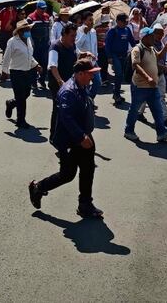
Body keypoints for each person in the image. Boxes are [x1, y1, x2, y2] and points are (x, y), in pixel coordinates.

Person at [28, 59, 104, 219]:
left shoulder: (82, 85)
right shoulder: (68, 91)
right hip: (71, 139)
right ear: (80, 74)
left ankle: (85, 204)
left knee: (88, 169)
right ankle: (39, 187)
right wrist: (81, 137)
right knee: (68, 174)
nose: (92, 78)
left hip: (83, 135)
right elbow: (66, 118)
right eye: (90, 74)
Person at [124, 27, 167, 143]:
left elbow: (156, 60)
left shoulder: (151, 48)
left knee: (157, 110)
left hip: (152, 86)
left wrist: (165, 50)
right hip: (140, 86)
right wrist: (148, 77)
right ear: (145, 37)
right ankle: (128, 131)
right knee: (134, 110)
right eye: (151, 36)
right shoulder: (137, 49)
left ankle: (161, 134)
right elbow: (136, 65)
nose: (154, 38)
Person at [2, 20, 42, 129]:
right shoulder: (12, 41)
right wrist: (4, 71)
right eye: (26, 30)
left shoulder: (28, 40)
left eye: (29, 29)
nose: (28, 31)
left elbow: (29, 55)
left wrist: (36, 65)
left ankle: (11, 103)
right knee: (21, 98)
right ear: (20, 31)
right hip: (16, 72)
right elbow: (6, 57)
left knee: (26, 93)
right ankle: (21, 120)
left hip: (27, 71)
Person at [105, 12, 137, 104]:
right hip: (115, 55)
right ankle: (116, 94)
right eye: (123, 21)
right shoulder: (112, 31)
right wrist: (109, 57)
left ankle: (116, 92)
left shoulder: (127, 30)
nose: (125, 23)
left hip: (124, 55)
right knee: (118, 74)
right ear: (118, 21)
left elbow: (132, 41)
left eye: (126, 21)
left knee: (121, 75)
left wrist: (137, 49)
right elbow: (107, 45)